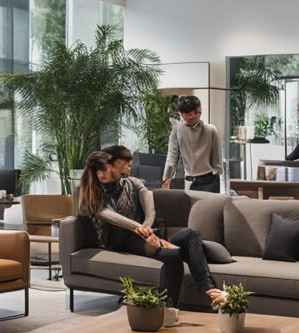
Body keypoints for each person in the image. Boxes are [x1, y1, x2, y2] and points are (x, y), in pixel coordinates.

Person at [79, 146, 224, 309]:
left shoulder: (133, 183)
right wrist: (140, 229)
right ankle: (170, 308)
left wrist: (146, 230)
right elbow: (109, 216)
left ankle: (209, 289)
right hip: (121, 242)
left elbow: (150, 211)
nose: (104, 174)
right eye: (100, 171)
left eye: (106, 169)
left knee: (191, 234)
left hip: (143, 235)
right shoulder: (92, 195)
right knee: (172, 256)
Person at [161, 94, 223, 193]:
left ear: (200, 111)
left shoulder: (211, 130)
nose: (191, 116)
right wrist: (167, 178)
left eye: (194, 112)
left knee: (211, 208)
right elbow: (172, 156)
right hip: (190, 180)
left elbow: (217, 157)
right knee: (190, 208)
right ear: (181, 114)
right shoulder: (177, 130)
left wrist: (217, 172)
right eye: (187, 113)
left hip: (210, 180)